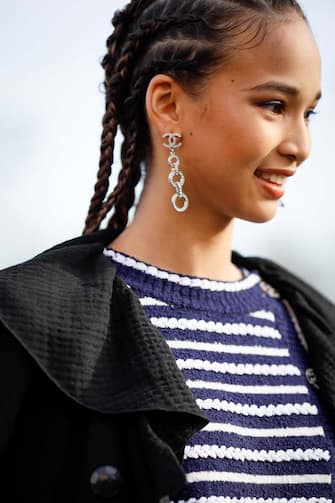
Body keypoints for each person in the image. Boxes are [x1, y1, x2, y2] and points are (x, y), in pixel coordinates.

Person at [1, 0, 334, 501]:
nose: (301, 144)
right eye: (274, 106)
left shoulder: (314, 325)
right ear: (168, 104)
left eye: (308, 112)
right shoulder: (27, 324)